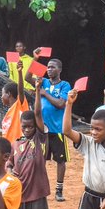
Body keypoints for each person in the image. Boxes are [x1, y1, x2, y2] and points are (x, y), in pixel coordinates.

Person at [29, 58, 72, 200]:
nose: (49, 70)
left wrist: (45, 94)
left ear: (60, 70)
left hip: (58, 129)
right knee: (39, 159)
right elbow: (27, 77)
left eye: (52, 67)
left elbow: (61, 103)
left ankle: (59, 190)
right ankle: (40, 188)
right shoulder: (43, 82)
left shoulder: (65, 85)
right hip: (42, 130)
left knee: (60, 161)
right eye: (48, 67)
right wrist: (35, 59)